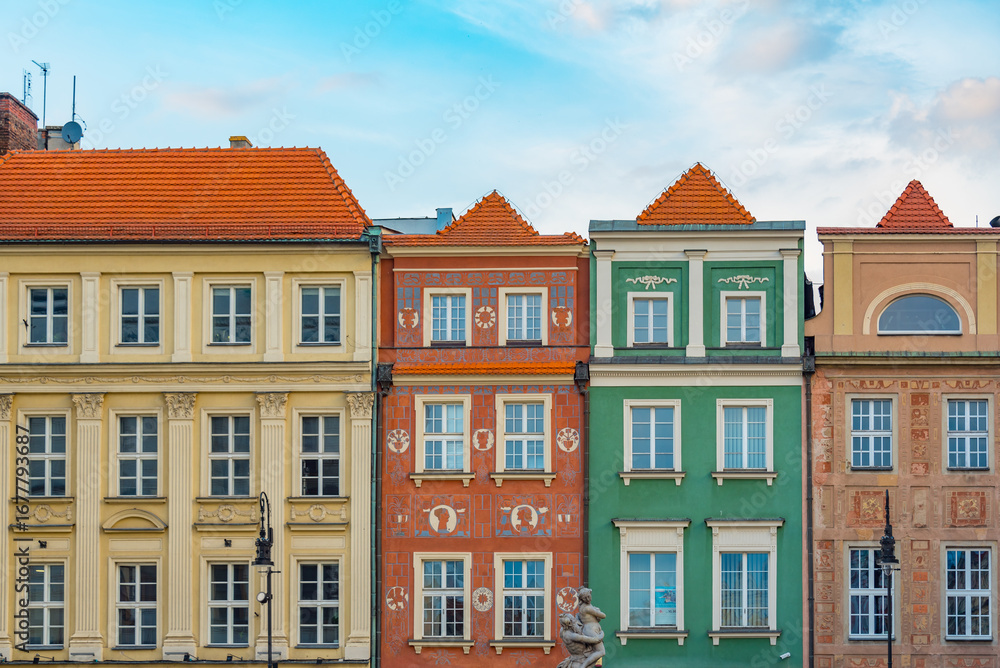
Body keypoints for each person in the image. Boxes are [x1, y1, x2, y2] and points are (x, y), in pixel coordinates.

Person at [574, 587, 606, 667]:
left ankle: (586, 666)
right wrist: (597, 610)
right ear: (582, 599)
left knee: (595, 652)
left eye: (589, 596)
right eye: (586, 597)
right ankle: (583, 666)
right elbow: (603, 616)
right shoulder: (587, 608)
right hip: (590, 630)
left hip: (591, 629)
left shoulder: (585, 606)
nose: (588, 599)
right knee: (601, 652)